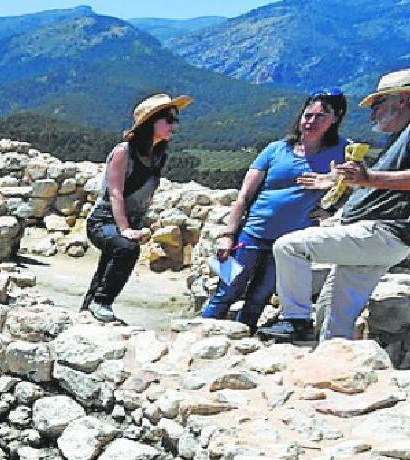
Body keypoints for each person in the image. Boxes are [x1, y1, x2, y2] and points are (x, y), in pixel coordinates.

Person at [259, 68, 410, 344]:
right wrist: (341, 181)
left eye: (377, 103)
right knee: (334, 312)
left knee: (289, 247)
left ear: (401, 99)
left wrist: (368, 177)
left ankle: (294, 321)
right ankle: (334, 364)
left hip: (383, 231)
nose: (372, 112)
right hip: (386, 235)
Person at [201, 91, 348, 329]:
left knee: (259, 298)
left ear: (335, 119)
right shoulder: (275, 149)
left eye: (320, 116)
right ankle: (200, 333)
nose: (311, 121)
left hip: (289, 243)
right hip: (250, 234)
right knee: (225, 290)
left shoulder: (342, 150)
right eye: (308, 115)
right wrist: (229, 235)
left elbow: (357, 185)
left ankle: (241, 339)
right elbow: (244, 195)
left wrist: (331, 202)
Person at [80, 93, 190, 325]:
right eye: (169, 119)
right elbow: (115, 193)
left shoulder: (158, 155)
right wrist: (125, 229)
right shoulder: (123, 152)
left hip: (128, 221)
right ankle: (102, 303)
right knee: (126, 248)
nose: (174, 125)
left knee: (107, 267)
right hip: (104, 220)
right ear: (152, 122)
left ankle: (87, 311)